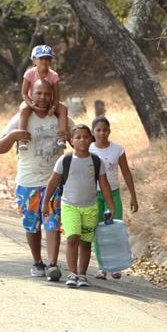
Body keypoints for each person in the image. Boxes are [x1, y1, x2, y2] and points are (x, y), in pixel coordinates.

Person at [0, 80, 68, 281]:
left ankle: (53, 264)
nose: (43, 97)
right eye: (39, 93)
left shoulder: (59, 117)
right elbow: (0, 147)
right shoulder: (21, 118)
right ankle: (38, 262)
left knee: (53, 223)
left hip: (53, 181)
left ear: (52, 95)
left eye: (47, 93)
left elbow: (79, 138)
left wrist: (70, 136)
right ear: (30, 93)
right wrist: (13, 136)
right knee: (32, 226)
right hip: (27, 182)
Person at [44, 124, 115, 289]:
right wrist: (46, 202)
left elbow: (104, 185)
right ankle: (72, 273)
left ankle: (82, 275)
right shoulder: (65, 160)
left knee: (85, 242)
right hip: (69, 206)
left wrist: (111, 206)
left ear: (91, 139)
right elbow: (53, 181)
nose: (82, 140)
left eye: (85, 137)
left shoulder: (97, 161)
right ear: (71, 141)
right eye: (78, 137)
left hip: (90, 208)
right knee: (72, 238)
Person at [89, 116, 139, 279]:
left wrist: (133, 196)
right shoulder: (88, 149)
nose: (102, 133)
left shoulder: (117, 149)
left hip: (114, 194)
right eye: (98, 130)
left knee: (114, 228)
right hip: (94, 195)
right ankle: (102, 267)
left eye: (105, 130)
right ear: (93, 132)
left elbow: (126, 173)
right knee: (98, 230)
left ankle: (115, 266)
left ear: (109, 131)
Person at [18, 45, 69, 151]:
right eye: (41, 58)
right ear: (34, 60)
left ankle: (62, 137)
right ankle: (22, 139)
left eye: (48, 58)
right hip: (32, 101)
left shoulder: (54, 76)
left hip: (48, 102)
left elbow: (56, 95)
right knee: (23, 109)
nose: (44, 61)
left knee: (63, 108)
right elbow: (24, 93)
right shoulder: (30, 73)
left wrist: (54, 107)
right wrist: (30, 104)